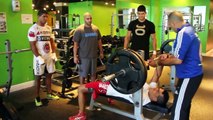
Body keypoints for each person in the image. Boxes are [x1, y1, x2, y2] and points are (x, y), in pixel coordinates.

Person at [148, 11, 203, 120]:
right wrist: (167, 55)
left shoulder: (183, 33)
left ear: (173, 23)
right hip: (192, 74)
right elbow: (180, 53)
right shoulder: (190, 29)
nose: (170, 27)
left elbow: (178, 60)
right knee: (183, 105)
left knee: (177, 110)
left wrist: (158, 62)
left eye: (169, 25)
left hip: (190, 75)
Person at [68, 78, 169, 120]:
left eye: (157, 91)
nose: (156, 88)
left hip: (109, 87)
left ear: (155, 99)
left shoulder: (143, 98)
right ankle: (96, 91)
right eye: (158, 88)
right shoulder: (148, 90)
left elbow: (130, 86)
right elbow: (156, 76)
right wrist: (159, 61)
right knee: (96, 80)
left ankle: (81, 114)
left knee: (81, 88)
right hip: (114, 83)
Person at [27, 10, 59, 107]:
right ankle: (37, 97)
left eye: (47, 17)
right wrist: (38, 57)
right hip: (39, 57)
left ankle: (49, 93)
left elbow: (52, 42)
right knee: (38, 77)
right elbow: (32, 45)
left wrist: (53, 53)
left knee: (49, 75)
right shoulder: (33, 29)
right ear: (39, 16)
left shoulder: (49, 28)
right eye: (44, 16)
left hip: (49, 56)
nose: (46, 19)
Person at [73, 12, 104, 85]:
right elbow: (75, 45)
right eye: (87, 19)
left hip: (93, 56)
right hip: (83, 57)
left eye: (90, 18)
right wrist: (75, 56)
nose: (89, 20)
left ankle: (92, 91)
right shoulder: (79, 30)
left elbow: (99, 41)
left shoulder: (96, 29)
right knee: (83, 75)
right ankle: (82, 90)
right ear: (84, 19)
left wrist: (101, 52)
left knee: (93, 74)